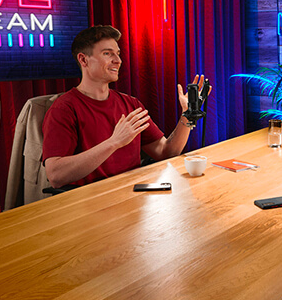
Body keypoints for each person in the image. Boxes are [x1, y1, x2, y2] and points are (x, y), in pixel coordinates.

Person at [41, 25, 209, 188]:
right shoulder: (63, 109)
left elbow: (166, 152)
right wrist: (114, 142)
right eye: (107, 53)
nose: (118, 60)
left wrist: (187, 115)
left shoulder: (131, 104)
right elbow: (56, 176)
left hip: (133, 193)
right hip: (92, 200)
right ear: (83, 59)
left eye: (118, 54)